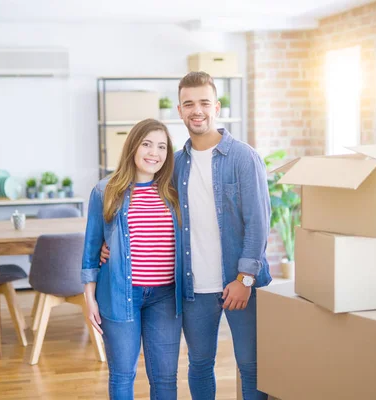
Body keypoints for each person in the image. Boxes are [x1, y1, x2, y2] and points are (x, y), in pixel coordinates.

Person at [102, 72, 272, 399]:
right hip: (193, 287)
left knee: (251, 366)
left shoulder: (243, 157)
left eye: (204, 102)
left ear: (217, 107)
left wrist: (245, 279)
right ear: (179, 110)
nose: (197, 110)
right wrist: (108, 244)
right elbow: (140, 204)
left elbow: (259, 223)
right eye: (189, 103)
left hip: (240, 283)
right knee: (199, 363)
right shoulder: (174, 164)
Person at [81, 118, 183, 400]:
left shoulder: (174, 192)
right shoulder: (105, 191)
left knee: (165, 378)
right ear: (133, 147)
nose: (154, 153)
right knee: (123, 375)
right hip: (119, 295)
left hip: (165, 296)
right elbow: (91, 251)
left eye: (162, 147)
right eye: (147, 144)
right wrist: (89, 298)